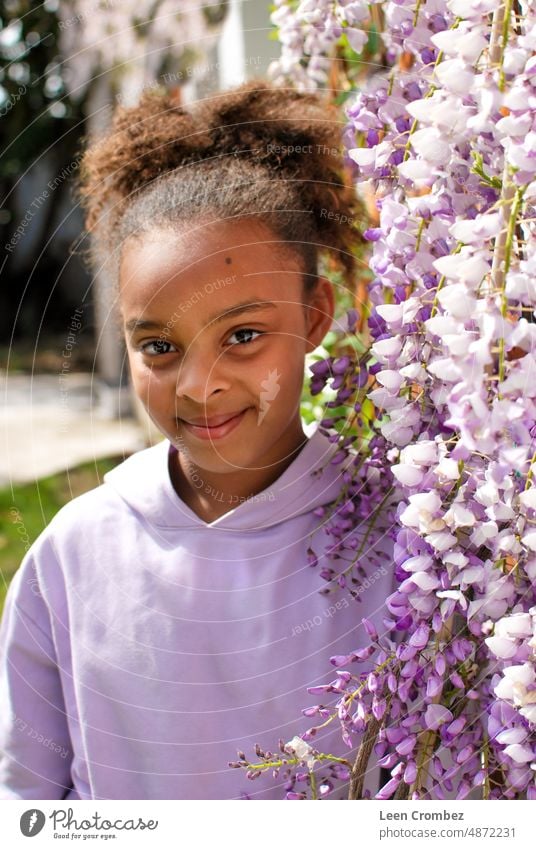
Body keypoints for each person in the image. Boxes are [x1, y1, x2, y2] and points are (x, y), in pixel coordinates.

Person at [0, 80, 397, 800]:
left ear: (314, 317)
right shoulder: (71, 554)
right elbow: (24, 798)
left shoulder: (397, 544)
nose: (197, 385)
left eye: (243, 336)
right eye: (158, 346)